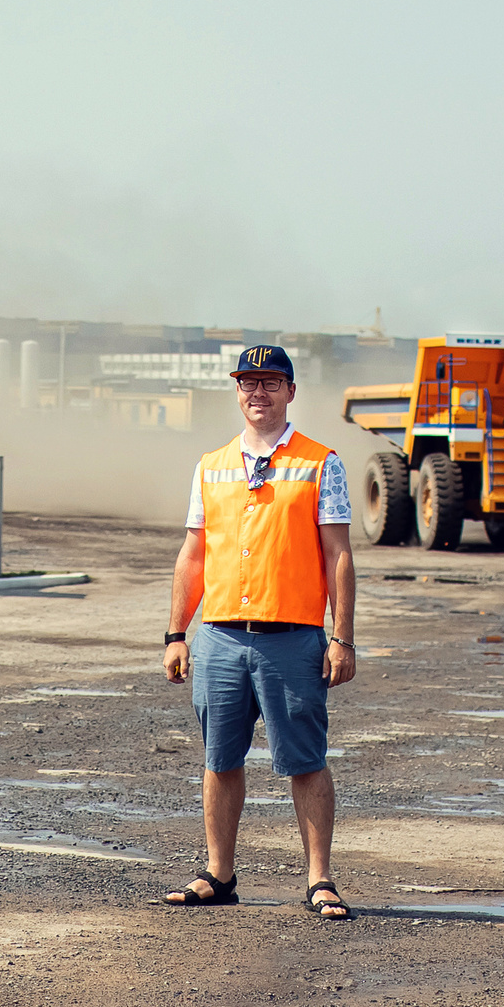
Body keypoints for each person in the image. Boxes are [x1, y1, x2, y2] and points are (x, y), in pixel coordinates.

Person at [160, 344, 357, 919]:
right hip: (220, 636)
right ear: (237, 391)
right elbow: (193, 554)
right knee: (220, 759)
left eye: (271, 383)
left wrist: (340, 638)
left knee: (305, 758)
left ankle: (320, 879)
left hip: (292, 638)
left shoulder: (322, 462)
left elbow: (338, 555)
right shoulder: (212, 465)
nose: (258, 393)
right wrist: (177, 633)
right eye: (248, 383)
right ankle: (218, 875)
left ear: (291, 391)